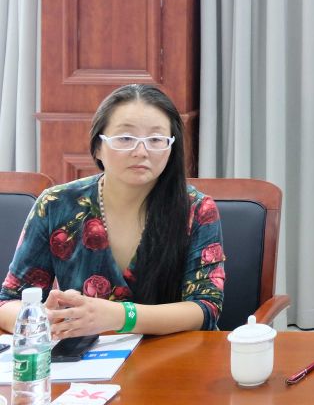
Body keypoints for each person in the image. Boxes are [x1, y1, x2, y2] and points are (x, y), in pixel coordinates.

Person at [0, 84, 224, 335]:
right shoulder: (56, 204)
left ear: (171, 147)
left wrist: (120, 316)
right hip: (85, 356)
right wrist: (43, 318)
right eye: (125, 138)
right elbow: (8, 301)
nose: (141, 151)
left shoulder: (196, 209)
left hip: (174, 353)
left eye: (155, 139)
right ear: (98, 147)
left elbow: (206, 308)